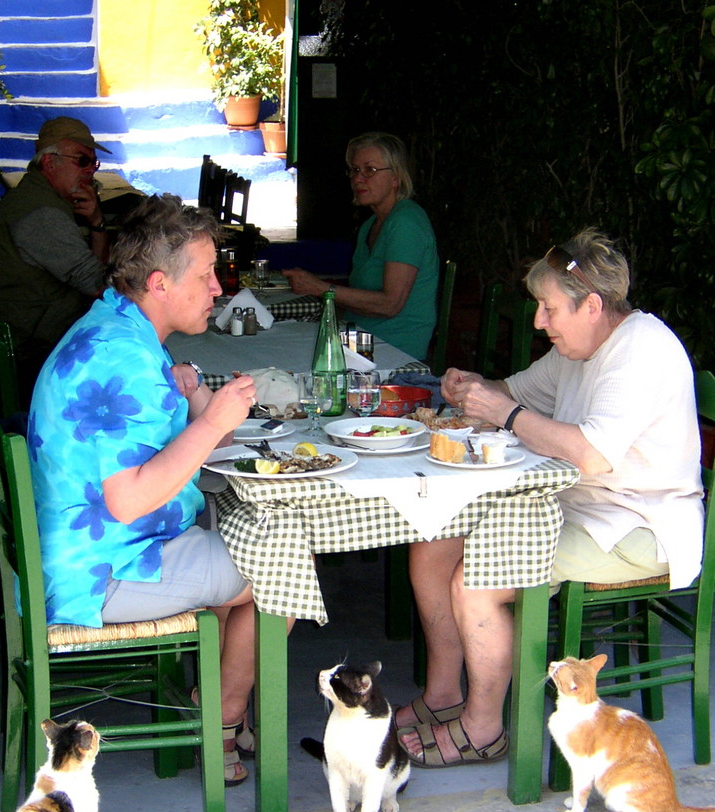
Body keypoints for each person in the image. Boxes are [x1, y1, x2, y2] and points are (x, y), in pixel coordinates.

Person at [396, 228, 704, 768]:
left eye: (548, 308)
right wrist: (473, 387)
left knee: (478, 579)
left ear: (591, 305)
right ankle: (444, 694)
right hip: (576, 505)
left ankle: (483, 728)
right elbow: (514, 391)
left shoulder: (641, 351)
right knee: (434, 539)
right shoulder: (583, 344)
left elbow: (589, 454)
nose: (540, 322)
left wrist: (504, 413)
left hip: (639, 525)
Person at [27, 194, 262, 786]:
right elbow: (129, 499)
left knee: (243, 532)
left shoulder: (116, 328)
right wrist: (212, 423)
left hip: (86, 551)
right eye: (206, 276)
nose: (218, 288)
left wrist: (190, 407)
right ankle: (223, 723)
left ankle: (215, 696)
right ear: (159, 283)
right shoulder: (122, 358)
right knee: (280, 570)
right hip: (97, 573)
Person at [0, 116, 111, 398]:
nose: (91, 172)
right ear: (50, 163)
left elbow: (92, 276)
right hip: (35, 352)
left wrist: (96, 223)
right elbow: (101, 287)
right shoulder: (42, 215)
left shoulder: (39, 199)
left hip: (33, 334)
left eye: (94, 164)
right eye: (83, 161)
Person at [284, 132, 439, 359]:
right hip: (360, 341)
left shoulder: (406, 222)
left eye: (370, 170)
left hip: (393, 352)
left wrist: (321, 288)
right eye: (355, 170)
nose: (358, 179)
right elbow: (358, 298)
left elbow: (391, 304)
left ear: (396, 177)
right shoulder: (371, 225)